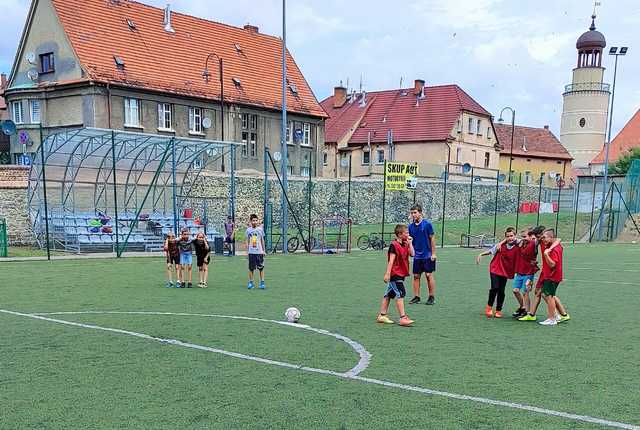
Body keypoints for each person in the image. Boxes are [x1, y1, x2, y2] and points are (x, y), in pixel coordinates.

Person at [518, 226, 562, 321]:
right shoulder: (540, 241)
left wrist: (548, 251)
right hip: (544, 271)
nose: (538, 239)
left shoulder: (549, 243)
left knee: (547, 294)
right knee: (538, 292)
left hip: (550, 273)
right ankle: (532, 314)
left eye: (539, 236)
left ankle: (557, 315)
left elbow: (558, 239)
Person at [377, 224, 415, 327]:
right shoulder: (394, 245)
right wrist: (387, 274)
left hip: (401, 273)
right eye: (406, 233)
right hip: (395, 273)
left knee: (389, 294)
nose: (408, 234)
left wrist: (410, 243)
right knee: (401, 292)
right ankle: (403, 318)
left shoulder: (406, 243)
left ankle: (382, 315)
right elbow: (391, 261)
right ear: (399, 234)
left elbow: (412, 254)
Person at [476, 227, 519, 318]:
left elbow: (522, 240)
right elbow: (491, 251)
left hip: (505, 271)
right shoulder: (500, 246)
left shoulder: (517, 245)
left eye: (511, 236)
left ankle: (498, 310)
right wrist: (481, 254)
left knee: (501, 291)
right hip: (495, 269)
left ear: (515, 236)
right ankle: (489, 307)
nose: (510, 238)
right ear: (505, 237)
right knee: (495, 288)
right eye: (507, 236)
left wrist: (503, 241)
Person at [538, 229, 570, 326]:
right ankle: (555, 316)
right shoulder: (552, 246)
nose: (543, 240)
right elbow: (558, 239)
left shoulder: (554, 249)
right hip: (550, 275)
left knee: (549, 296)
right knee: (545, 294)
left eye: (545, 237)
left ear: (551, 237)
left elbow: (552, 264)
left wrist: (546, 254)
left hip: (552, 276)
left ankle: (552, 318)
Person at [408, 204, 437, 305]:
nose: (413, 215)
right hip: (417, 256)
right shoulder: (410, 227)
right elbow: (410, 241)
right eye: (411, 213)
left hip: (427, 255)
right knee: (416, 276)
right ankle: (416, 297)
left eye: (415, 212)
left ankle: (431, 297)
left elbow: (432, 238)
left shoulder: (427, 224)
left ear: (420, 213)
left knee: (428, 275)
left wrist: (433, 253)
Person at [511, 228, 539, 318]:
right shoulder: (522, 243)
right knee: (515, 291)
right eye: (522, 237)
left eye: (525, 236)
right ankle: (522, 307)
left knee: (525, 292)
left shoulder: (532, 244)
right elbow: (510, 239)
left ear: (531, 236)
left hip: (529, 273)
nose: (523, 238)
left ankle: (527, 312)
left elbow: (525, 251)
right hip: (519, 272)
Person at [246, 214, 266, 290]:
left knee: (261, 268)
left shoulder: (260, 230)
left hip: (259, 252)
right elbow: (247, 241)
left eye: (256, 220)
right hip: (251, 252)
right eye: (253, 220)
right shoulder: (248, 230)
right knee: (251, 268)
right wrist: (247, 251)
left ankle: (262, 282)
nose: (254, 222)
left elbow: (262, 240)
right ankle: (251, 282)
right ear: (251, 221)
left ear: (258, 221)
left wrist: (264, 250)